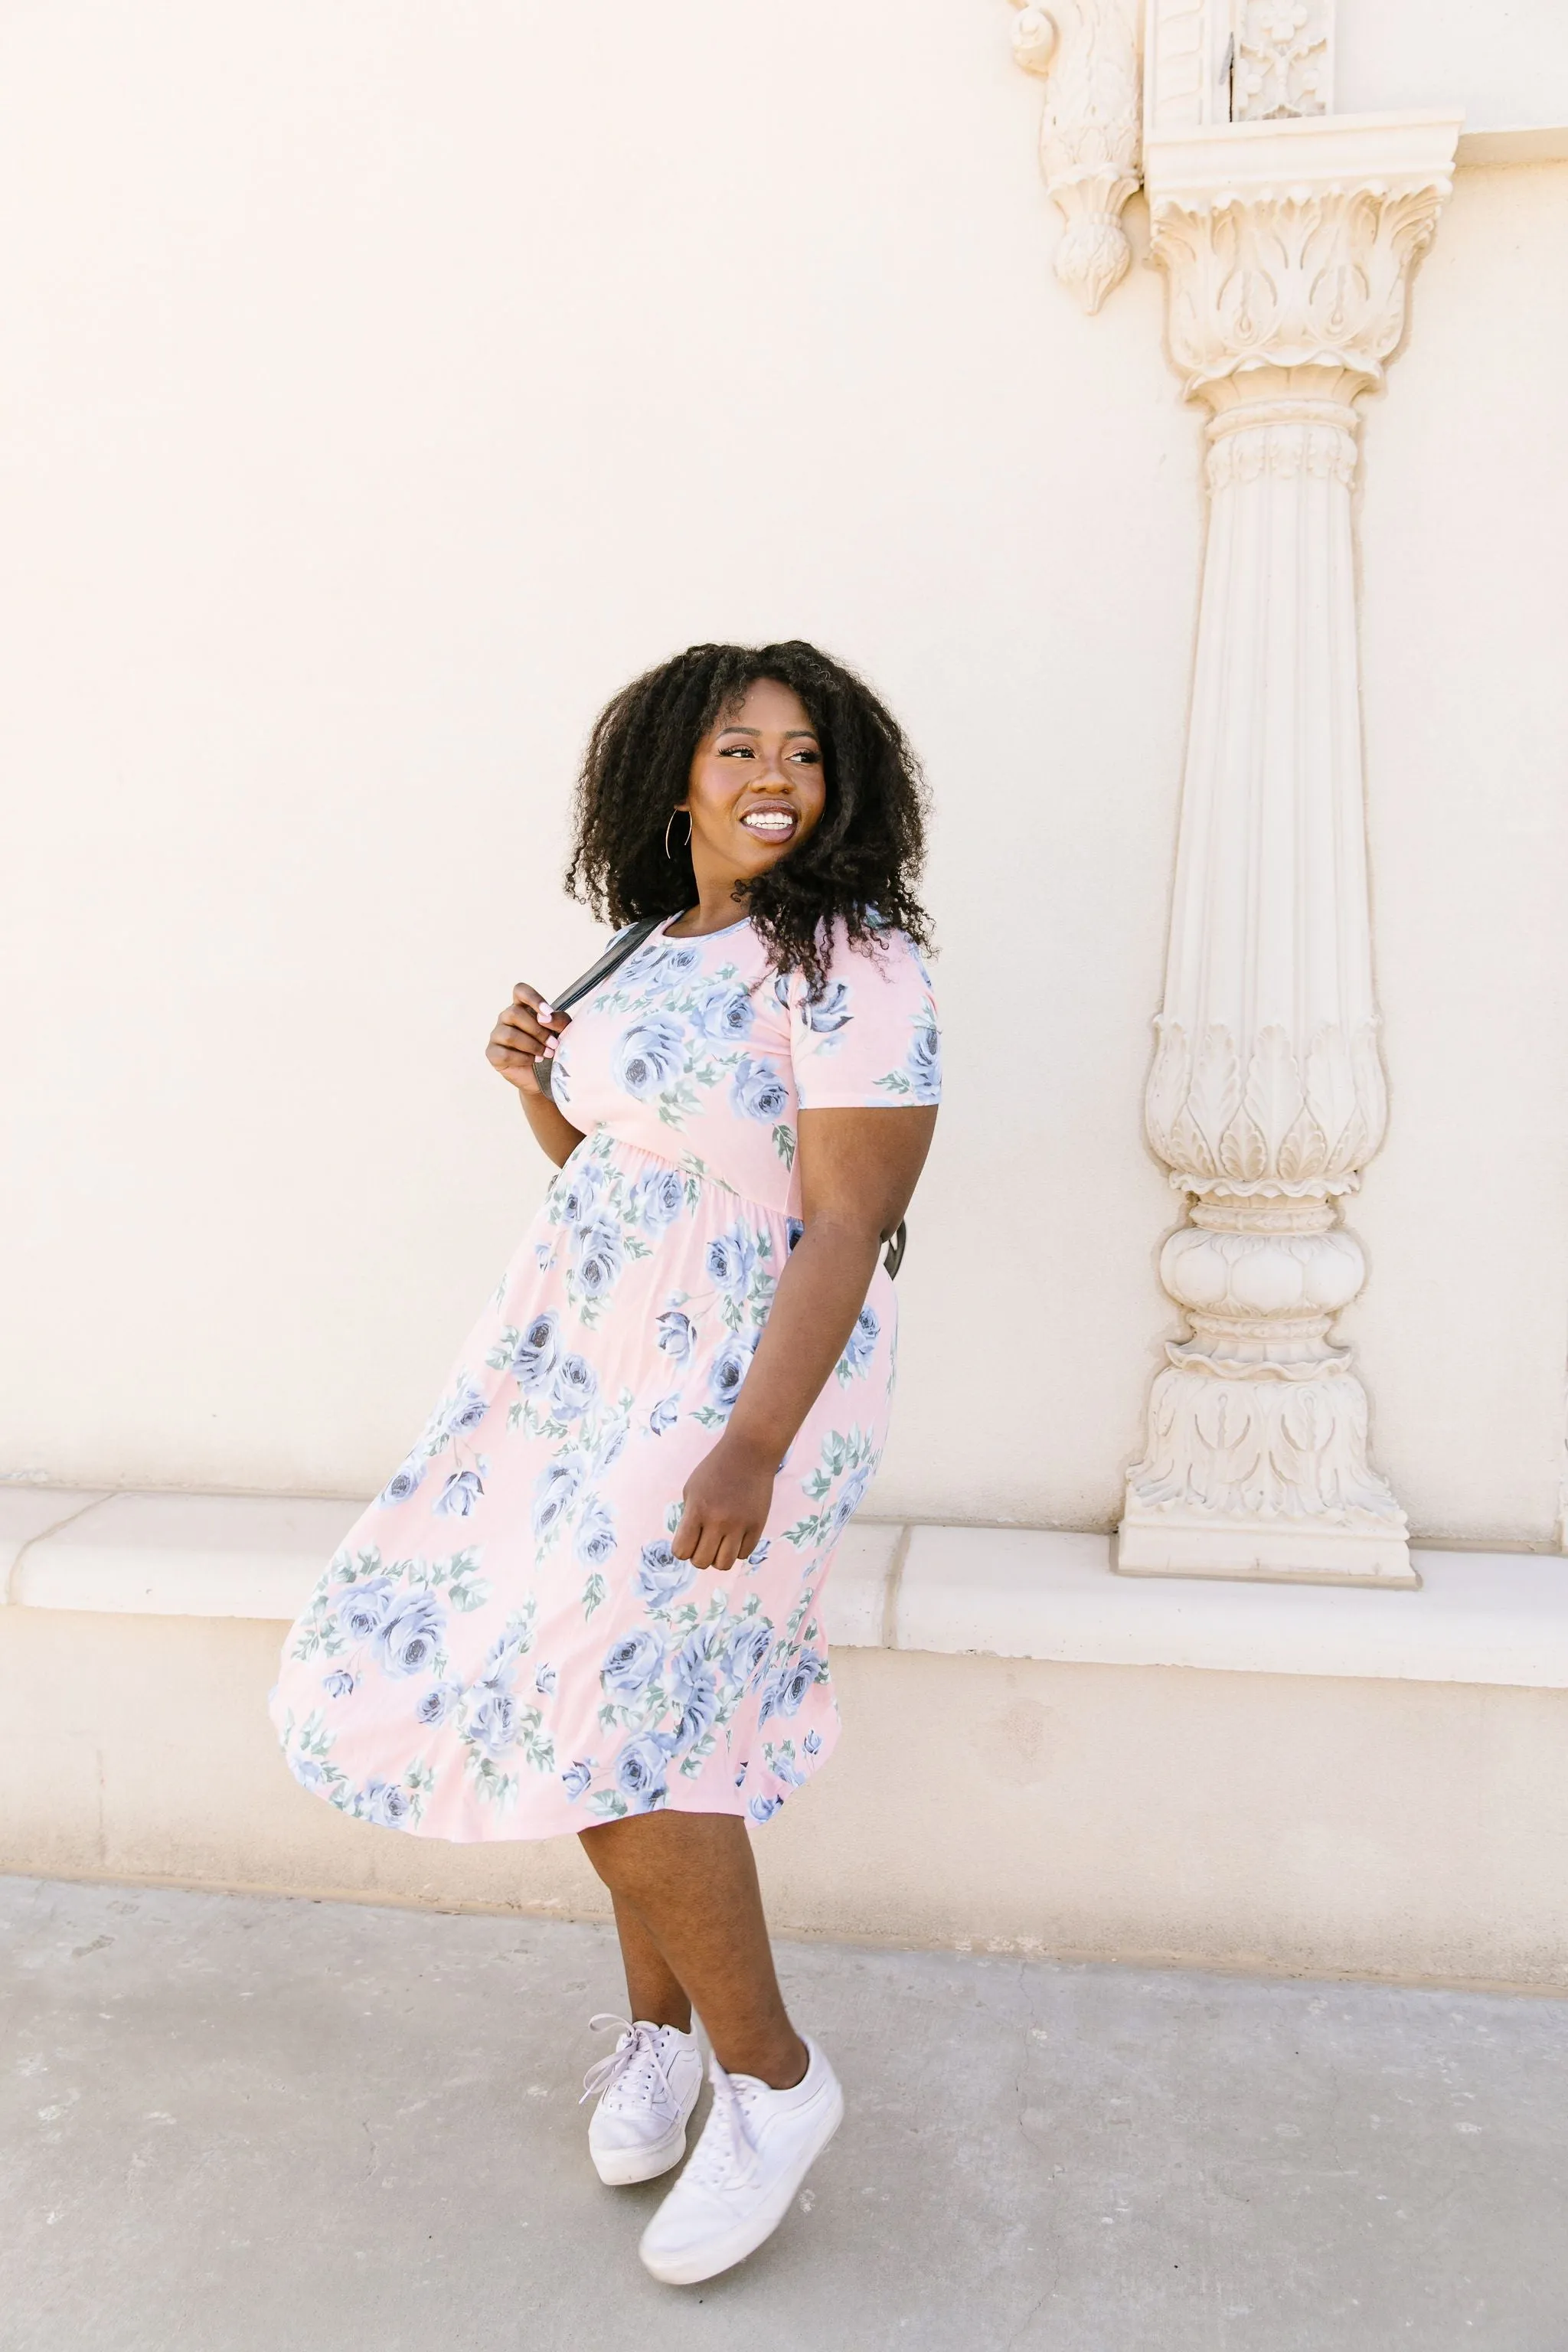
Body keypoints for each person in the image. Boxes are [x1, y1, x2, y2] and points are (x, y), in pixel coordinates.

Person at [269, 639, 940, 2283]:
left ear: (841, 782)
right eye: (734, 750)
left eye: (802, 752)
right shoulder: (644, 948)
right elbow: (634, 1170)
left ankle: (771, 2078)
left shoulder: (854, 959)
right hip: (585, 1365)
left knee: (605, 1696)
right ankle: (665, 2036)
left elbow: (845, 1216)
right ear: (670, 780)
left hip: (735, 1383)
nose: (773, 776)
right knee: (625, 1700)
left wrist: (752, 1446)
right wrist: (537, 1096)